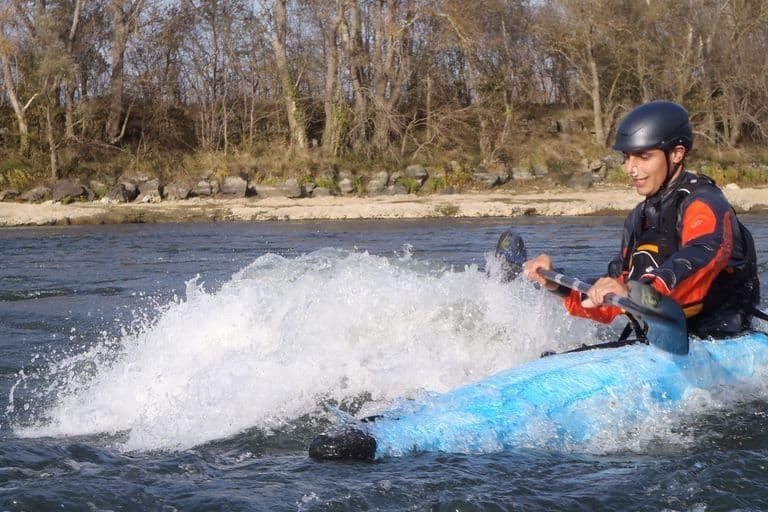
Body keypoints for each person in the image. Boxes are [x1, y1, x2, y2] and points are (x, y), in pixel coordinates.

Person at [523, 100, 761, 339]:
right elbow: (617, 284)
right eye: (627, 157)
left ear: (677, 154)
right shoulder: (639, 217)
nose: (631, 169)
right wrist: (558, 285)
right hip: (665, 339)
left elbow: (701, 255)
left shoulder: (704, 202)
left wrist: (635, 292)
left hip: (723, 335)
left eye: (643, 157)